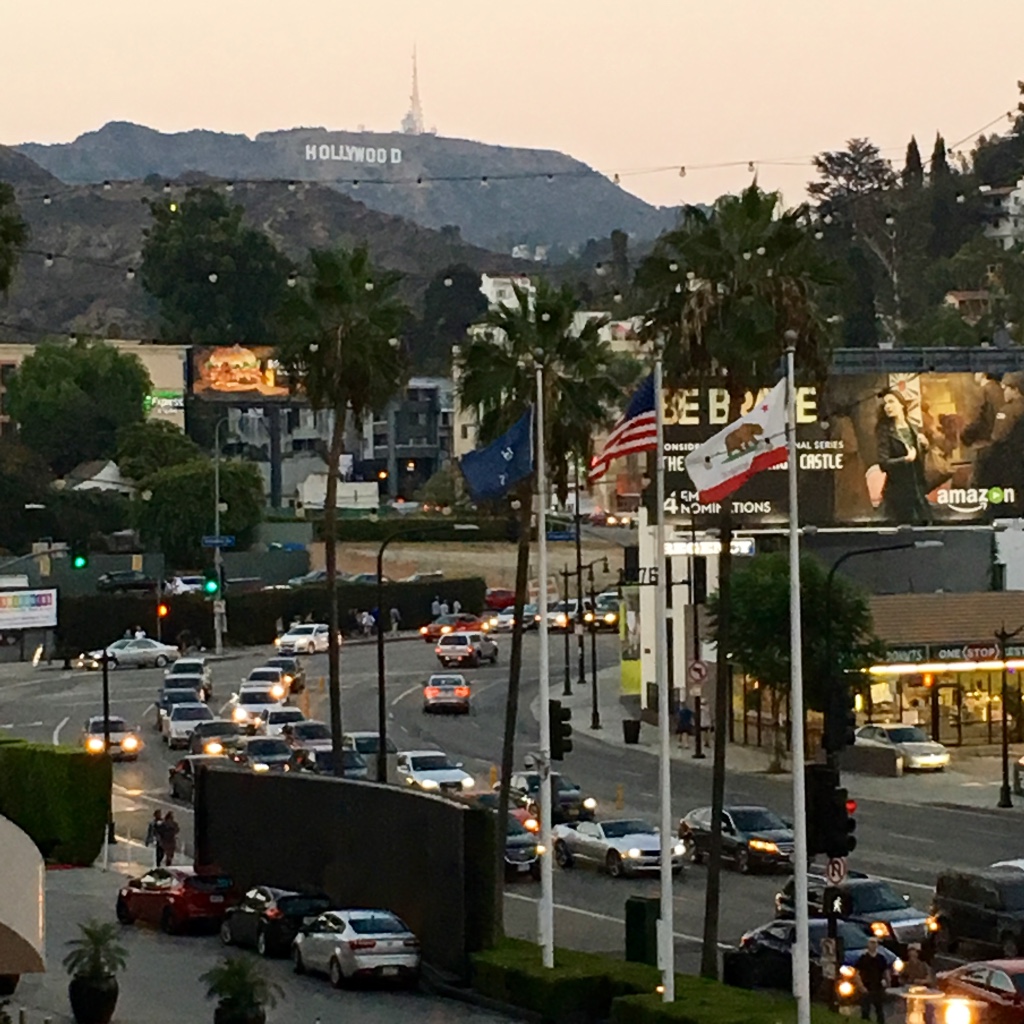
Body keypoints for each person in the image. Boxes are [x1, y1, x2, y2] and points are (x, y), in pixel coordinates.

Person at [875, 389, 930, 525]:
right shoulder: (884, 430)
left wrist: (925, 446)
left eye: (891, 402)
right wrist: (905, 460)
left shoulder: (913, 428)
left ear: (901, 405)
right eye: (885, 404)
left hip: (917, 489)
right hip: (898, 492)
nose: (887, 406)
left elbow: (919, 459)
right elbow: (883, 463)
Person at [855, 936, 889, 1022]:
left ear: (877, 945)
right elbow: (857, 973)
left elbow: (885, 972)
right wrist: (860, 986)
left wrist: (888, 982)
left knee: (879, 1009)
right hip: (866, 987)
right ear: (868, 944)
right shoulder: (863, 958)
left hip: (878, 986)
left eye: (874, 943)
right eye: (871, 942)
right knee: (865, 1010)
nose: (873, 945)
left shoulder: (881, 958)